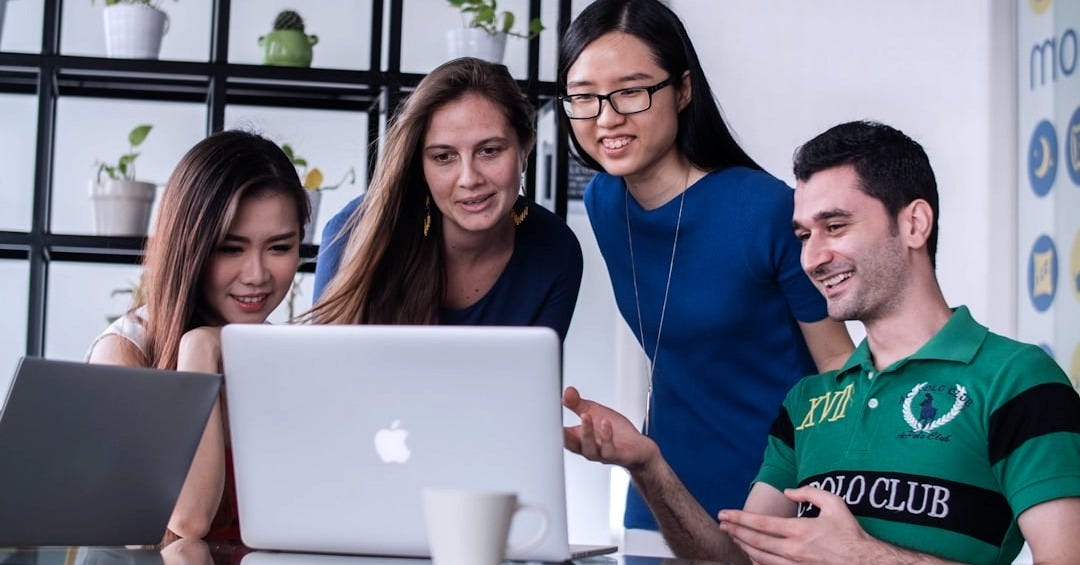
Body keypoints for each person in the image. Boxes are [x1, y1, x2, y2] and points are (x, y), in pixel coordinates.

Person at [563, 120, 1080, 564]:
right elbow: (738, 560)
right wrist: (648, 464)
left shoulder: (1018, 380)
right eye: (805, 235)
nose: (813, 258)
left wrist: (864, 555)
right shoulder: (807, 402)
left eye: (835, 226)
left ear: (914, 223)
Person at [556, 0, 853, 547]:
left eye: (630, 91)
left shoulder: (763, 209)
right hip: (659, 492)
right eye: (584, 97)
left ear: (683, 89)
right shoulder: (603, 202)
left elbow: (838, 366)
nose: (606, 117)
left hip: (776, 498)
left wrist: (829, 502)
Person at [87, 130, 310, 540]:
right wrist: (199, 351)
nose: (257, 275)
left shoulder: (281, 355)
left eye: (279, 248)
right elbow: (187, 520)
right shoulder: (124, 352)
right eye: (230, 248)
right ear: (190, 247)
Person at [310, 58, 583, 339]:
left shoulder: (556, 250)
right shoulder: (354, 231)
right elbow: (324, 372)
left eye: (489, 150)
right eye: (443, 157)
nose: (469, 178)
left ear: (525, 148)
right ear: (421, 165)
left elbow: (533, 379)